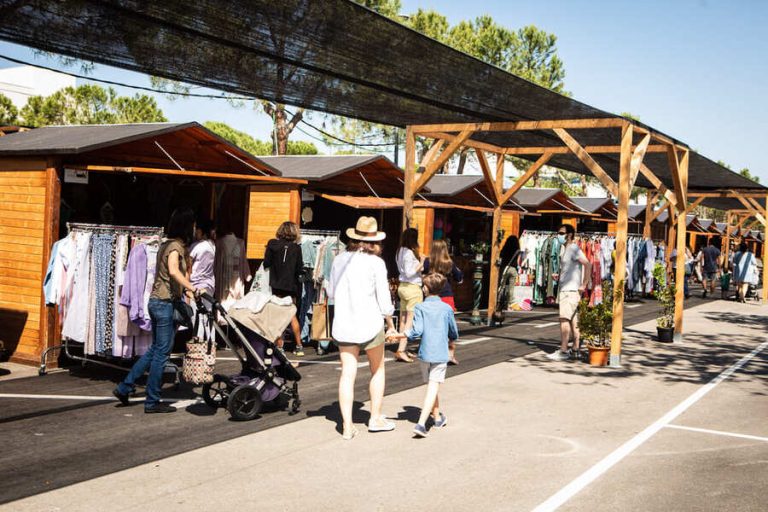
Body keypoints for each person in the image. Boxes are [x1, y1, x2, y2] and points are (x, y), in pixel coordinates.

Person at [113, 208, 199, 413]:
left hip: (157, 302)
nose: (195, 229)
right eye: (193, 225)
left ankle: (125, 386)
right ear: (186, 226)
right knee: (162, 354)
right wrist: (191, 287)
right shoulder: (175, 246)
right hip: (163, 304)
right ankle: (152, 401)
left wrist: (188, 292)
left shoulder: (166, 244)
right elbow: (173, 270)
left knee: (155, 350)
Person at [327, 216, 398, 440]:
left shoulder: (339, 259)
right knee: (377, 369)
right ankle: (375, 418)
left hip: (344, 323)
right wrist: (390, 322)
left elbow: (330, 292)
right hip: (370, 323)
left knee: (348, 374)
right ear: (373, 241)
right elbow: (384, 299)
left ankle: (347, 426)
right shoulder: (376, 263)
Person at [390, 273, 458, 438]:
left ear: (426, 289)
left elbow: (416, 332)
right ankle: (421, 424)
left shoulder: (420, 307)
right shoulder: (446, 309)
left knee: (431, 387)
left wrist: (399, 335)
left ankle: (437, 418)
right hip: (440, 353)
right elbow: (454, 332)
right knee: (433, 387)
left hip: (424, 353)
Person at [548, 224, 591, 362]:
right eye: (558, 233)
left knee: (564, 319)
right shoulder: (565, 249)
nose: (559, 235)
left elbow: (587, 264)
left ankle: (563, 350)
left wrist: (584, 284)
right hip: (567, 288)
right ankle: (576, 349)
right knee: (573, 320)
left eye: (562, 233)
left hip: (570, 290)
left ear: (570, 234)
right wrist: (559, 276)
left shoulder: (573, 248)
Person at [264, 222, 305, 356]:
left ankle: (280, 346)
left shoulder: (272, 244)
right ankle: (299, 346)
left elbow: (267, 263)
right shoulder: (296, 248)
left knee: (278, 315)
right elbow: (300, 269)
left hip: (276, 285)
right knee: (291, 315)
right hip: (291, 286)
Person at [423, 239, 463, 365]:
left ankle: (430, 351)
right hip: (446, 295)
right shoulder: (449, 263)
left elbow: (421, 274)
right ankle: (450, 353)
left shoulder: (427, 262)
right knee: (449, 325)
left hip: (431, 295)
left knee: (430, 324)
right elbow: (459, 278)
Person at [395, 227, 424, 363]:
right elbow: (410, 272)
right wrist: (422, 262)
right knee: (409, 321)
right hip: (412, 288)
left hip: (403, 287)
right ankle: (401, 350)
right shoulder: (408, 253)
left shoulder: (400, 251)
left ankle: (402, 347)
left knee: (403, 320)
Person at [189, 218, 216, 338]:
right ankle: (210, 344)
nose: (195, 232)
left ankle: (198, 344)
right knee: (208, 315)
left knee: (197, 315)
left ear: (202, 231)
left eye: (197, 230)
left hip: (196, 284)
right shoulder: (212, 246)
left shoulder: (196, 246)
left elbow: (188, 266)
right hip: (209, 284)